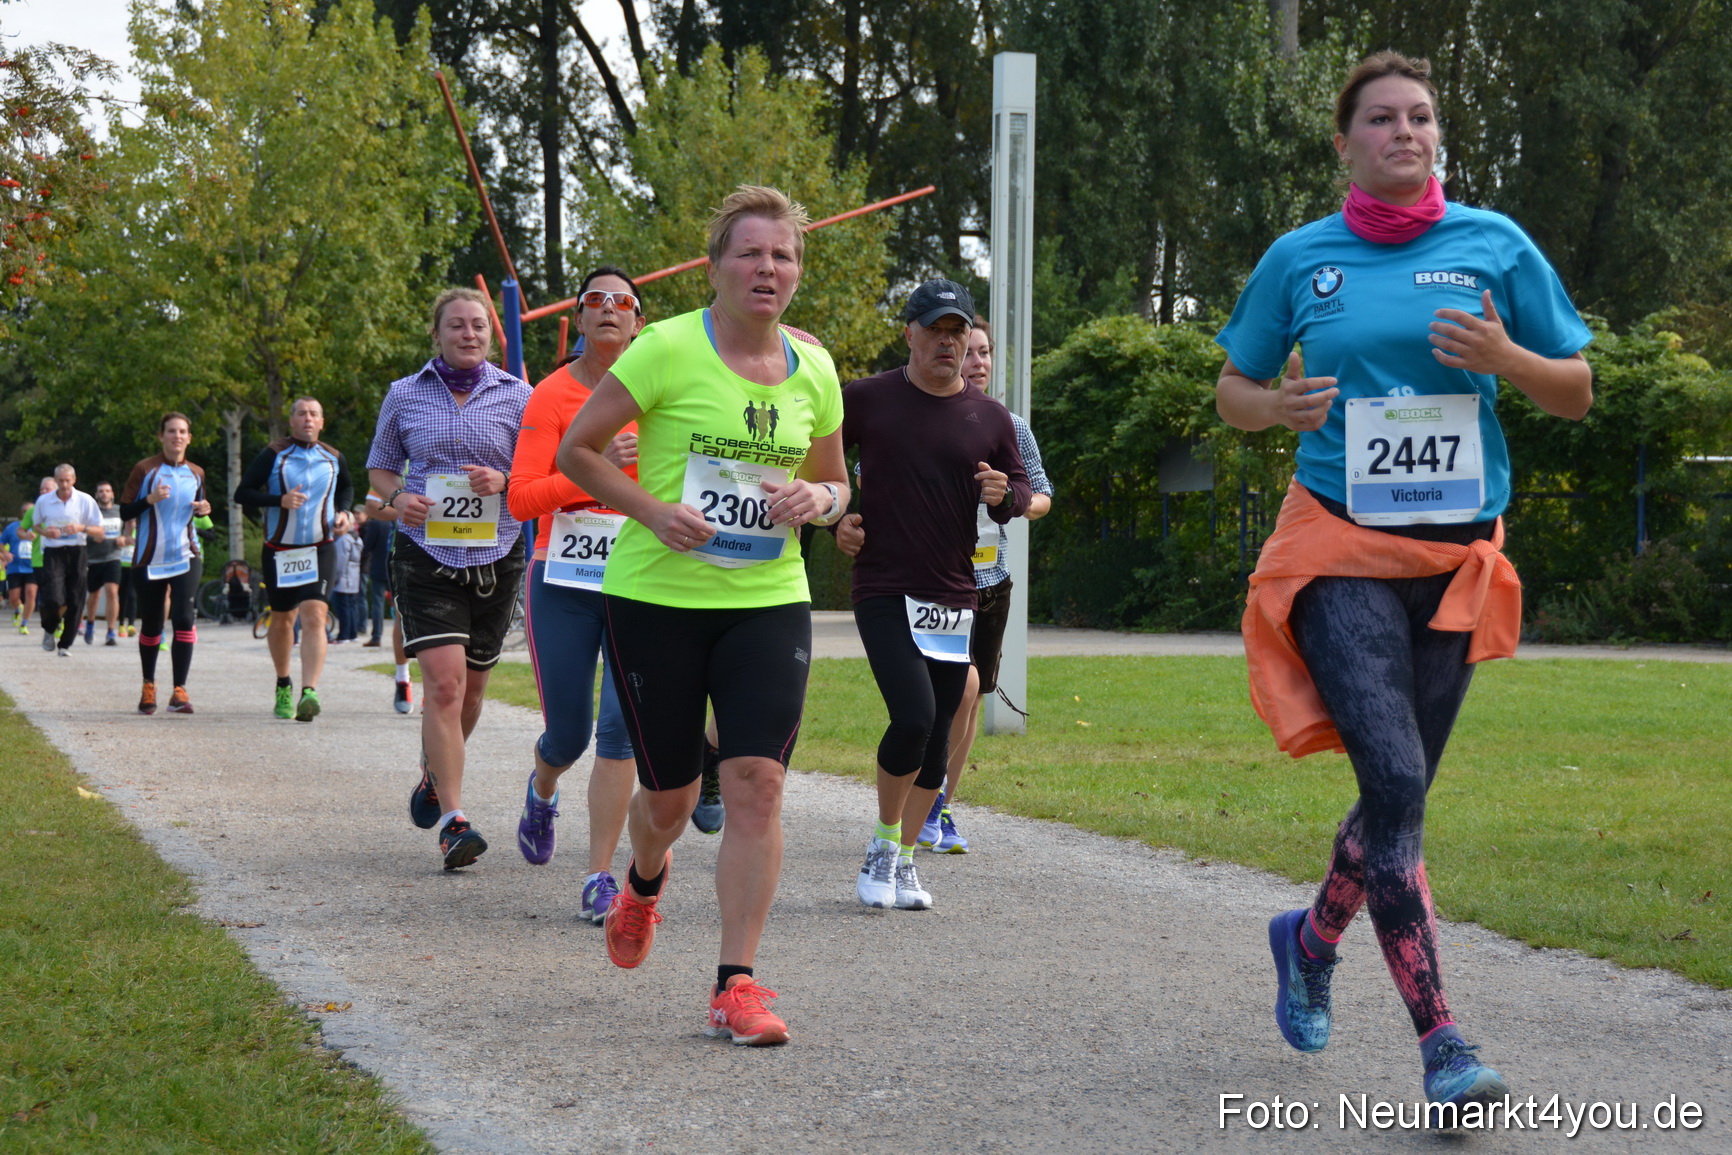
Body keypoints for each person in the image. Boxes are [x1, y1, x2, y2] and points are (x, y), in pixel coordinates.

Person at [1216, 52, 1594, 1114]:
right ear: (1343, 143)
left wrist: (1506, 356)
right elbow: (1232, 389)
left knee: (1403, 791)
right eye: (1380, 119)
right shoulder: (1302, 257)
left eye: (1420, 117)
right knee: (1392, 782)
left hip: (1455, 557)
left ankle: (1310, 938)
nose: (1404, 132)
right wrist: (1274, 409)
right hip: (1337, 545)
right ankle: (1442, 1044)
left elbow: (1573, 390)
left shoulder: (1493, 244)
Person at [556, 185, 848, 1045]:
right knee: (671, 796)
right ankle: (643, 880)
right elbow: (578, 449)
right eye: (751, 253)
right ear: (715, 266)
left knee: (757, 784)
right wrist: (651, 511)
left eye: (783, 255)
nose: (768, 268)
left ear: (797, 272)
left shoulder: (816, 368)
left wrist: (819, 497)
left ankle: (737, 984)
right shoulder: (665, 347)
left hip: (768, 600)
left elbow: (837, 483)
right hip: (658, 597)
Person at [836, 282, 1031, 911]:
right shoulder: (865, 400)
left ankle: (906, 858)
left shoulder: (989, 417)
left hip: (956, 593)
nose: (948, 343)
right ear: (910, 334)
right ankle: (882, 847)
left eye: (958, 331)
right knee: (914, 715)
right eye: (936, 330)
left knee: (940, 729)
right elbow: (820, 472)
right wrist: (832, 521)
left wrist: (1006, 496)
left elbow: (1023, 491)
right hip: (884, 586)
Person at [368, 287, 530, 870]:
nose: (468, 334)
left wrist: (505, 478)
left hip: (497, 553)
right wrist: (399, 496)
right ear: (435, 334)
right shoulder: (403, 394)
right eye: (456, 325)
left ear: (491, 335)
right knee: (443, 686)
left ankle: (433, 774)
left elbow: (542, 472)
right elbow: (381, 466)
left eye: (479, 326)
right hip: (424, 553)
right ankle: (454, 821)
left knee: (473, 691)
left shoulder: (518, 396)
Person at [508, 265, 645, 925]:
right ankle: (543, 785)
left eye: (624, 301)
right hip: (560, 576)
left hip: (638, 577)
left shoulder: (661, 392)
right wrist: (590, 469)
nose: (610, 309)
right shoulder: (551, 395)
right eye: (596, 300)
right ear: (581, 318)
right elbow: (521, 498)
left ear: (638, 322)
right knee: (569, 732)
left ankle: (599, 875)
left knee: (620, 730)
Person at [233, 395, 355, 720]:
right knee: (283, 619)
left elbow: (346, 488)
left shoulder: (333, 457)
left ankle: (309, 691)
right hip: (281, 550)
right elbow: (242, 493)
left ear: (322, 421)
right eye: (302, 414)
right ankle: (284, 683)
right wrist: (279, 500)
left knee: (315, 615)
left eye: (314, 414)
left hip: (321, 546)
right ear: (292, 421)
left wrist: (343, 512)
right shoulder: (274, 455)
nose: (308, 419)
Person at [121, 413, 213, 714]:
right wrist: (149, 499)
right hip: (149, 558)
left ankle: (179, 691)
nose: (177, 436)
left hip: (186, 555)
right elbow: (124, 512)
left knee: (184, 618)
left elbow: (202, 515)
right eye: (171, 431)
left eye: (182, 431)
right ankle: (149, 685)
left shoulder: (196, 473)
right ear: (161, 436)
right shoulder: (145, 469)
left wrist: (204, 509)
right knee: (152, 624)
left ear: (189, 438)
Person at [32, 464, 108, 656]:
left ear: (74, 480)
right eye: (61, 481)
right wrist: (45, 531)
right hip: (53, 551)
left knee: (75, 600)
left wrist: (81, 528)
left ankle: (65, 644)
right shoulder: (44, 501)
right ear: (55, 480)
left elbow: (100, 530)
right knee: (53, 597)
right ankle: (49, 629)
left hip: (77, 551)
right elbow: (36, 525)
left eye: (68, 480)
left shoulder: (85, 500)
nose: (64, 484)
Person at [81, 482, 128, 645]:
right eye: (101, 491)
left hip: (113, 557)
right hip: (93, 559)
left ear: (112, 494)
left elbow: (128, 529)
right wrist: (92, 537)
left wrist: (124, 538)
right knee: (94, 595)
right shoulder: (91, 514)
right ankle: (90, 624)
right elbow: (81, 533)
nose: (104, 494)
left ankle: (110, 632)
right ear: (96, 495)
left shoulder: (119, 511)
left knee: (112, 591)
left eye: (107, 491)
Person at [360, 501, 393, 647]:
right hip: (395, 566)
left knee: (378, 604)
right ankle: (403, 637)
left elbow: (367, 546)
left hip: (379, 568)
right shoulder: (397, 521)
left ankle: (377, 636)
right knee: (400, 603)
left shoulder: (376, 524)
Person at [3, 503, 36, 634]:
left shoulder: (39, 527)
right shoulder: (12, 527)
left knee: (31, 593)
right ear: (21, 513)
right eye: (24, 511)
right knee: (13, 598)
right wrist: (5, 554)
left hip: (33, 567)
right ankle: (18, 608)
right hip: (15, 567)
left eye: (30, 511)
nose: (26, 513)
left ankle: (24, 623)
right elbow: (1, 542)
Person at [331, 515, 364, 643]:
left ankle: (343, 635)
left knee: (343, 607)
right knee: (352, 607)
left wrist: (334, 578)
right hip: (354, 576)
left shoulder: (343, 540)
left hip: (344, 578)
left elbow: (340, 562)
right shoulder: (358, 538)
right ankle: (352, 633)